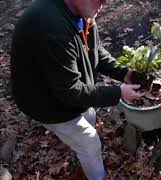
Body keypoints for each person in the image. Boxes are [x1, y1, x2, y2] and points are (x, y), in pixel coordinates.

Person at [10, 0, 145, 179]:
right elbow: (70, 91)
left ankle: (79, 151)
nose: (105, 3)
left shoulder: (82, 12)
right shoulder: (51, 26)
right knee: (90, 144)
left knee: (89, 115)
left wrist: (124, 73)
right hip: (47, 103)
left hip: (67, 91)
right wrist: (119, 93)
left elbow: (95, 51)